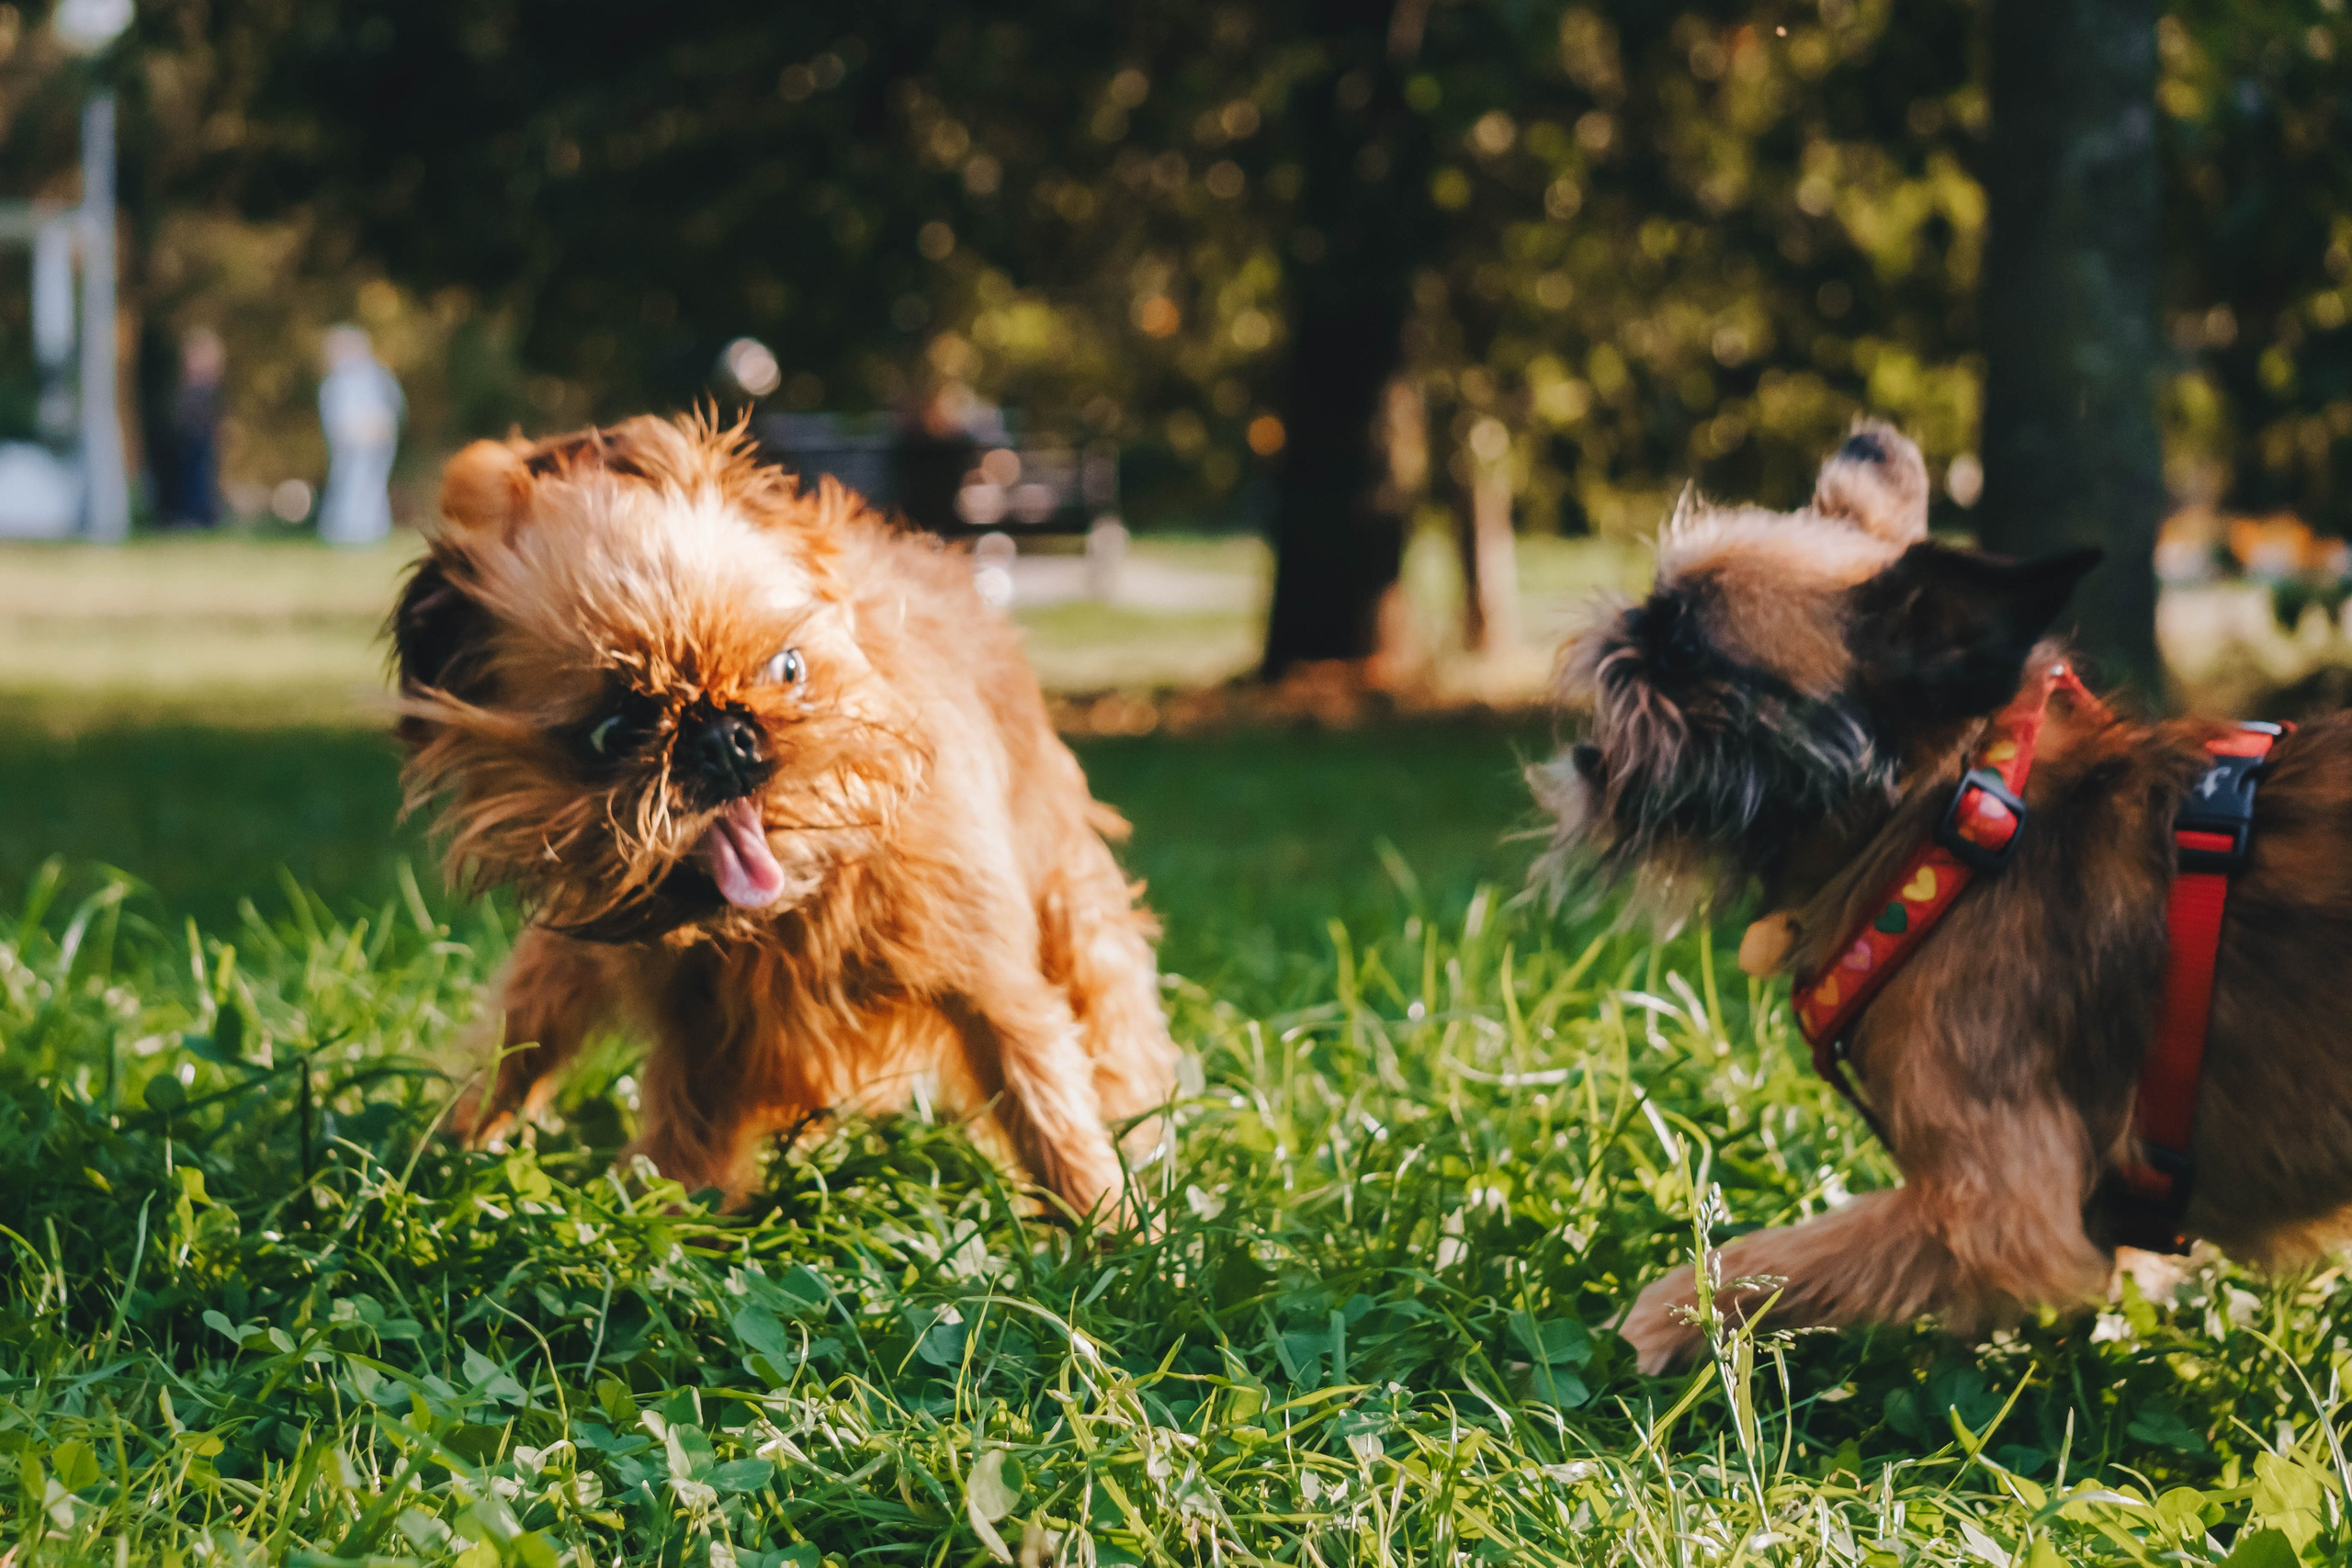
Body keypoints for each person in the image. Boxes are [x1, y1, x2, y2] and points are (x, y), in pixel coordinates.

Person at [316, 324, 403, 546]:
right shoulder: (337, 382)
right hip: (351, 444)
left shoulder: (375, 377)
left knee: (372, 489)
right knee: (349, 486)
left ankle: (369, 531)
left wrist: (380, 428)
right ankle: (347, 532)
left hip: (376, 443)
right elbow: (338, 418)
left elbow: (392, 406)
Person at [160, 326, 225, 529]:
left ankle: (198, 515)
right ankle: (189, 515)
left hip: (199, 440)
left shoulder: (206, 390)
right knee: (190, 478)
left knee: (200, 478)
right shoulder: (190, 389)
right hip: (188, 441)